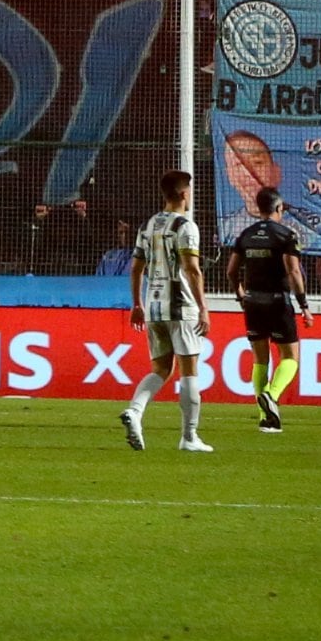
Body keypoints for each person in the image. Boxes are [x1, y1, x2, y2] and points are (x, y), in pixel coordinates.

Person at [122, 169, 212, 454]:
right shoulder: (186, 226)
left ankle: (135, 411)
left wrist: (136, 304)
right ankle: (189, 437)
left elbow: (136, 267)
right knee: (189, 372)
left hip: (153, 308)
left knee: (161, 368)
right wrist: (203, 308)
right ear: (185, 193)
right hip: (181, 307)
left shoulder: (147, 226)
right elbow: (192, 269)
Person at [225, 184, 312, 432]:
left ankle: (266, 418)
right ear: (278, 207)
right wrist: (304, 305)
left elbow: (231, 271)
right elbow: (294, 271)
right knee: (290, 357)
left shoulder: (246, 235)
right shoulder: (286, 235)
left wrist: (241, 296)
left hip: (252, 301)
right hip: (276, 301)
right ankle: (272, 397)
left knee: (260, 359)